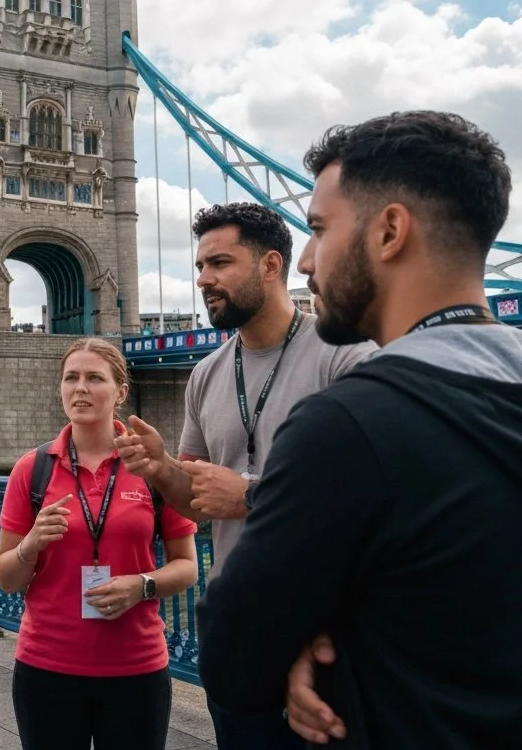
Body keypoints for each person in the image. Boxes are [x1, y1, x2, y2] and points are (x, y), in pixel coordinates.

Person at [196, 111, 522, 749]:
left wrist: (307, 645)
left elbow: (233, 652)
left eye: (318, 230)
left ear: (390, 231)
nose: (309, 260)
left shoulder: (346, 426)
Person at [115, 202, 374, 750]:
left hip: (330, 632)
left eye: (220, 263)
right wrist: (161, 468)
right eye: (201, 265)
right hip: (237, 627)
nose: (204, 278)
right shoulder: (206, 374)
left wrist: (252, 496)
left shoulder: (346, 355)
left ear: (272, 265)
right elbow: (196, 503)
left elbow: (375, 492)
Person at [0, 338, 199, 750]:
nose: (80, 388)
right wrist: (31, 544)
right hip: (47, 667)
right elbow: (7, 579)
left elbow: (187, 567)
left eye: (94, 378)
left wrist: (141, 585)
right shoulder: (31, 470)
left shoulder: (152, 467)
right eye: (71, 378)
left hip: (136, 667)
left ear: (121, 391)